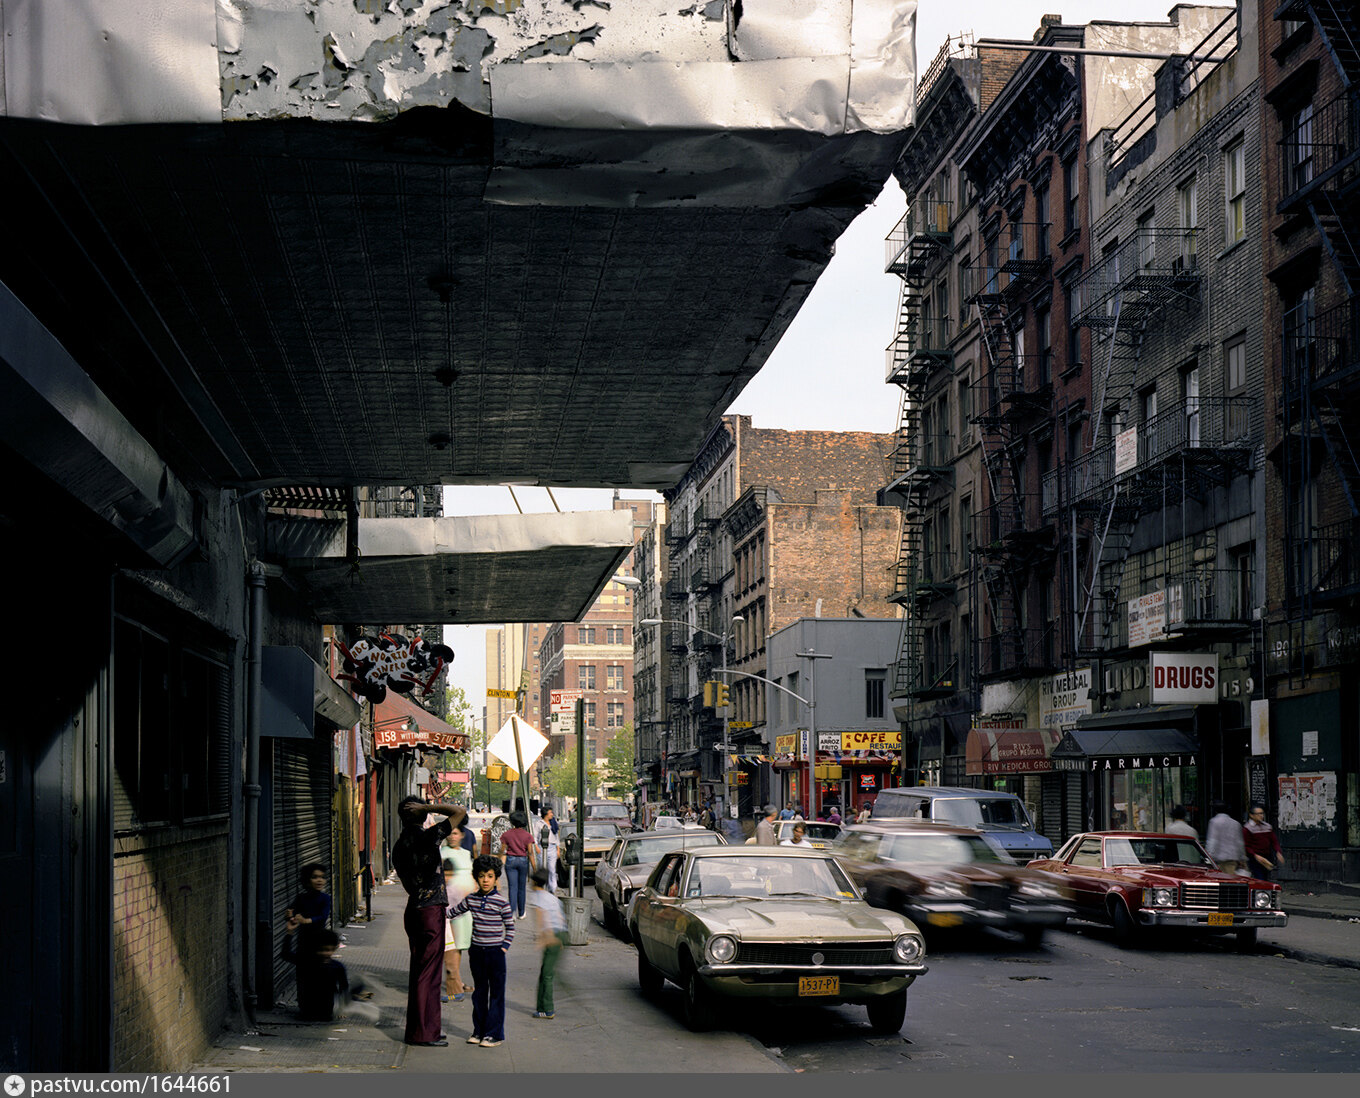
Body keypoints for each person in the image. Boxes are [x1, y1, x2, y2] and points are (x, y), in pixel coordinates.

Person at [391, 795, 467, 1047]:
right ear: (421, 815)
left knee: (420, 972)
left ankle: (425, 1028)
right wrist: (428, 807)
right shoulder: (427, 837)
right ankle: (424, 1032)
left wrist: (423, 810)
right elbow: (458, 811)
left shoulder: (399, 845)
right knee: (428, 974)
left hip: (414, 907)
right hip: (429, 910)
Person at [447, 854, 515, 1048]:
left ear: (496, 878)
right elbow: (452, 912)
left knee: (496, 994)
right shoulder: (471, 900)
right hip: (476, 952)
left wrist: (503, 947)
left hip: (495, 953)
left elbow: (510, 927)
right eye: (482, 876)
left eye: (490, 876)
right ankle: (479, 1031)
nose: (485, 880)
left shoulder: (502, 903)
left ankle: (494, 1034)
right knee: (479, 994)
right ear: (476, 877)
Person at [281, 920, 353, 1023]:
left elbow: (343, 988)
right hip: (308, 1010)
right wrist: (289, 932)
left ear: (335, 948)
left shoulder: (337, 967)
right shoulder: (307, 961)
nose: (325, 953)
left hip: (325, 1011)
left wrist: (341, 1009)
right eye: (322, 950)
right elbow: (286, 954)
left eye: (328, 950)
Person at [442, 822, 475, 1003]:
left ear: (462, 835)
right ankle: (452, 986)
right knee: (449, 948)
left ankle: (458, 982)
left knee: (460, 946)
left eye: (455, 834)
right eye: (450, 834)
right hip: (447, 908)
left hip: (463, 908)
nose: (452, 837)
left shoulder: (466, 854)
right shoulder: (441, 853)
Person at [528, 866, 568, 1019]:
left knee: (547, 974)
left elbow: (541, 918)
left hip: (552, 934)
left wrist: (543, 938)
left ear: (533, 882)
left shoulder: (537, 897)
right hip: (561, 932)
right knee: (546, 972)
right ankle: (541, 1008)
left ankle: (548, 1009)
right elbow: (560, 916)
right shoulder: (551, 896)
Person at [285, 863, 332, 955]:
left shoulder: (325, 898)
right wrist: (290, 916)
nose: (319, 880)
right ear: (307, 880)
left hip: (319, 939)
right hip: (303, 939)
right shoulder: (301, 897)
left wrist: (306, 920)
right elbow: (292, 913)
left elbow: (323, 916)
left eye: (322, 877)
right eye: (315, 877)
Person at [499, 809, 538, 918]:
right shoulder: (528, 836)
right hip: (523, 861)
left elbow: (502, 850)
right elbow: (530, 852)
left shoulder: (506, 835)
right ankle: (521, 912)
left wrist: (498, 859)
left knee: (512, 887)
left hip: (510, 860)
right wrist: (534, 867)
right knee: (522, 888)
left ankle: (511, 913)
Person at [1243, 802, 1285, 880]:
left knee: (1266, 877)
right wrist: (1255, 855)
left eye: (1262, 813)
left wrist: (1278, 852)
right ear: (1251, 815)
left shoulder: (1267, 826)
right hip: (1255, 858)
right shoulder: (1247, 828)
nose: (1261, 816)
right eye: (1258, 814)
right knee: (1259, 877)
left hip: (1267, 856)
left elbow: (1274, 840)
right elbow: (1246, 846)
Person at [1205, 800, 1247, 874]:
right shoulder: (1236, 824)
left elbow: (1212, 842)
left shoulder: (1214, 822)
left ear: (1216, 811)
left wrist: (1208, 857)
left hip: (1218, 862)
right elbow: (1240, 843)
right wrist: (1242, 858)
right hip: (1232, 861)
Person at [539, 807, 561, 893]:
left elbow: (556, 838)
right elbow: (535, 837)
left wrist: (558, 850)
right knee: (543, 868)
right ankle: (544, 886)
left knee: (552, 869)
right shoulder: (539, 824)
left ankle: (553, 888)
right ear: (545, 814)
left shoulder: (553, 824)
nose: (552, 814)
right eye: (550, 812)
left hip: (552, 847)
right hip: (542, 847)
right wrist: (537, 848)